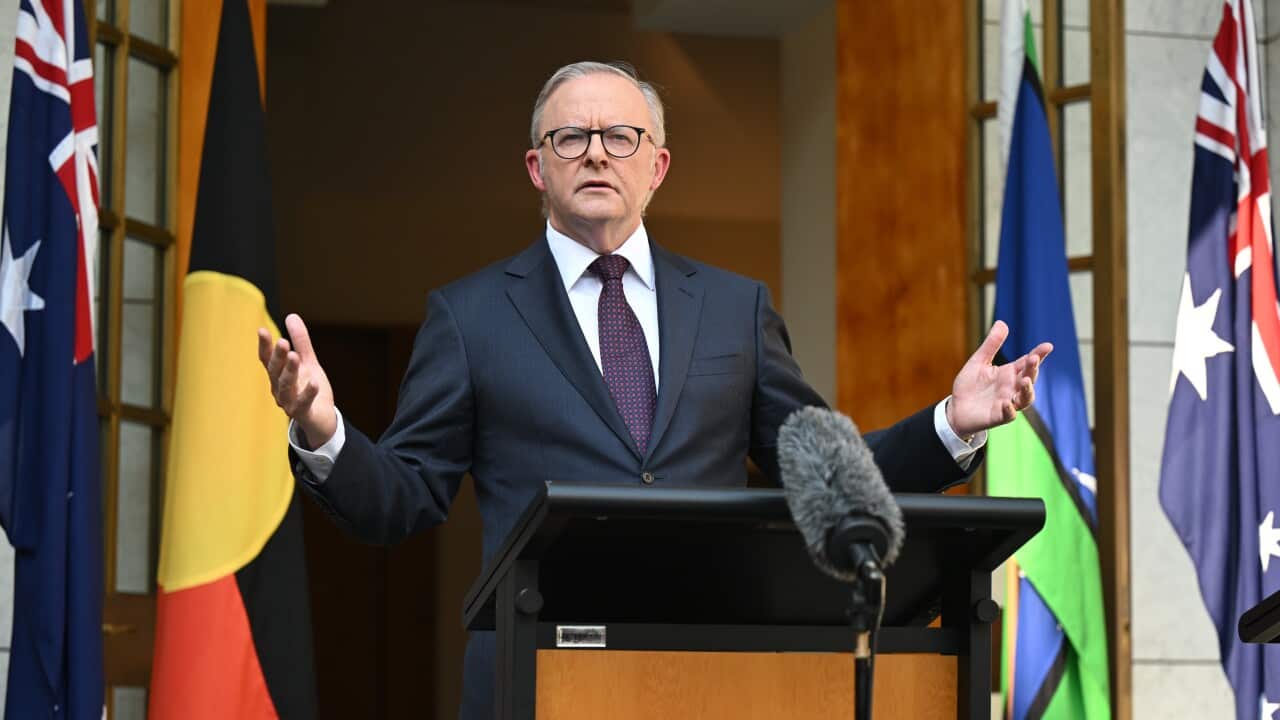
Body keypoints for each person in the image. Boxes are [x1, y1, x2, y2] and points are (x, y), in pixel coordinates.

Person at [256, 61, 1051, 719]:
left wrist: (951, 423)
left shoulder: (735, 308)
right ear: (537, 167)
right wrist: (324, 428)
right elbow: (401, 498)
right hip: (532, 682)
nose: (596, 153)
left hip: (707, 676)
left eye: (620, 136)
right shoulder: (468, 317)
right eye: (571, 138)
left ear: (657, 164)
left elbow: (822, 467)